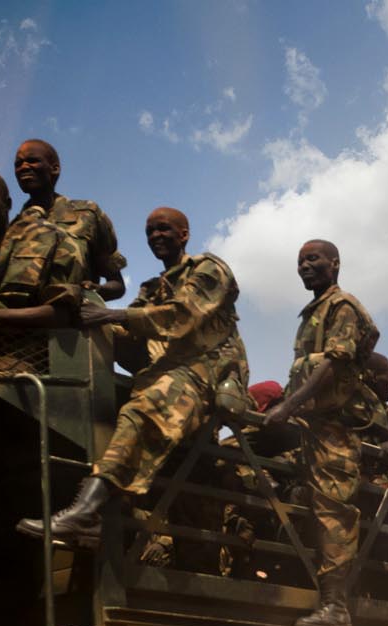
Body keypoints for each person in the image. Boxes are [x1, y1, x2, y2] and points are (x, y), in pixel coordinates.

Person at [17, 207, 248, 547]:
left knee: (144, 410)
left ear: (184, 234)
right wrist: (81, 309)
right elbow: (130, 333)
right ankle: (108, 514)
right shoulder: (152, 288)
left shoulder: (208, 269)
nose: (156, 236)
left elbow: (182, 316)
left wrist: (110, 314)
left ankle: (86, 511)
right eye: (150, 231)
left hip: (207, 373)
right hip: (169, 374)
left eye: (163, 229)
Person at [263, 239, 380, 626]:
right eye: (300, 261)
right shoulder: (313, 312)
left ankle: (336, 609)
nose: (304, 266)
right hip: (311, 427)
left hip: (334, 429)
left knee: (334, 514)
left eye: (313, 259)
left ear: (335, 264)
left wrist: (288, 406)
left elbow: (333, 363)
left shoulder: (342, 306)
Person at [10, 139, 126, 301]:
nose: (23, 167)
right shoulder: (13, 228)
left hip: (73, 314)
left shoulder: (87, 215)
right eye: (18, 164)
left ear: (55, 169)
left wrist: (94, 291)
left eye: (32, 160)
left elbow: (117, 284)